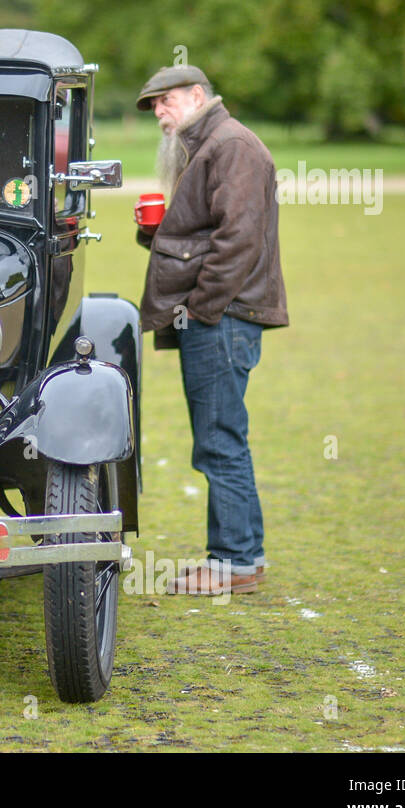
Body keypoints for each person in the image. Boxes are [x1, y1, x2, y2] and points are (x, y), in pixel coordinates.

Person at [133, 65, 288, 594]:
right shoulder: (207, 145)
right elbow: (206, 233)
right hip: (218, 315)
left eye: (166, 101)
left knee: (219, 442)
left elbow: (238, 241)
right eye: (153, 105)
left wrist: (201, 309)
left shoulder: (230, 146)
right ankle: (239, 557)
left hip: (223, 318)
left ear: (197, 96)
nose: (159, 112)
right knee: (219, 440)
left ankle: (234, 562)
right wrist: (157, 233)